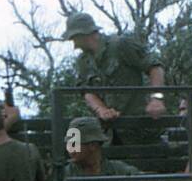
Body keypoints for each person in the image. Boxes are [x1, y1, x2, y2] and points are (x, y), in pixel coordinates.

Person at [62, 12, 165, 147]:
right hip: (109, 134)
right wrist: (102, 110)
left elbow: (155, 68)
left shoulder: (121, 45)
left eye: (74, 38)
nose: (74, 45)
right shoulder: (83, 61)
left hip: (140, 129)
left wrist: (156, 99)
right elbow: (87, 91)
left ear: (83, 34)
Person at [64, 117, 141, 178]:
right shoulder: (65, 174)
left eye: (74, 144)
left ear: (92, 145)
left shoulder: (118, 171)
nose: (70, 149)